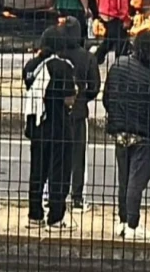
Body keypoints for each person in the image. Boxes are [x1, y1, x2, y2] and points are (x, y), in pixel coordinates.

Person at [104, 30, 150, 241]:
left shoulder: (118, 65)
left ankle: (122, 221)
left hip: (120, 132)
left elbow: (107, 97)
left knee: (124, 179)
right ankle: (132, 224)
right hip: (143, 135)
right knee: (136, 182)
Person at [23, 26, 77, 232]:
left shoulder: (31, 66)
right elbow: (69, 99)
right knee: (59, 173)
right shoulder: (62, 67)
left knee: (37, 171)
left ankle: (34, 215)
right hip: (58, 126)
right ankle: (55, 217)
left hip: (37, 126)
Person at [58, 16, 100, 213]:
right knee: (78, 156)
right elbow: (95, 87)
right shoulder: (87, 57)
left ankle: (54, 195)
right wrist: (82, 98)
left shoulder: (56, 55)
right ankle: (77, 198)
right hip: (79, 112)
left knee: (56, 154)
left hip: (57, 112)